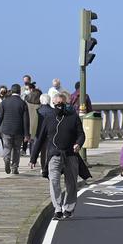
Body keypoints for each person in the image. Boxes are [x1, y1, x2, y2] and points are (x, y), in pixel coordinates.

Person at [31, 90, 85, 219]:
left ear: (65, 103)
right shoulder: (48, 118)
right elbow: (40, 138)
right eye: (57, 104)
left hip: (71, 155)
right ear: (53, 104)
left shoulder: (73, 117)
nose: (59, 106)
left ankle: (69, 208)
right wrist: (33, 157)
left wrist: (78, 144)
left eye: (62, 104)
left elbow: (81, 134)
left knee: (71, 183)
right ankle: (58, 208)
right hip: (54, 155)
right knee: (54, 181)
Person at [0, 81, 30, 174]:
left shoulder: (4, 102)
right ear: (19, 92)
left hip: (6, 129)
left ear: (11, 91)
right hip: (19, 130)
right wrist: (26, 134)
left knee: (7, 147)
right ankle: (14, 168)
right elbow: (26, 120)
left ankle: (6, 159)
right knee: (17, 149)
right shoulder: (23, 103)